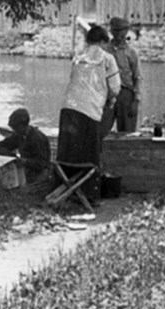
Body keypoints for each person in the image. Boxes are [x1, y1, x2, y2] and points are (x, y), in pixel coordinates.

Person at [58, 26, 121, 206]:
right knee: (89, 155)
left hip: (68, 107)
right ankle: (88, 195)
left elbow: (73, 79)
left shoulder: (78, 57)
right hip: (90, 111)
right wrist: (110, 100)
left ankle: (66, 190)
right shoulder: (108, 59)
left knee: (68, 152)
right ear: (102, 42)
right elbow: (115, 87)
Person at [102, 17, 142, 136]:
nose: (119, 34)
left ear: (126, 32)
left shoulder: (131, 52)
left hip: (126, 95)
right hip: (107, 95)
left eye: (122, 31)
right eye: (116, 30)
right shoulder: (104, 51)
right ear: (111, 32)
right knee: (102, 129)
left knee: (127, 133)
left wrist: (136, 100)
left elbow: (138, 77)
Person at [0, 108, 51, 183]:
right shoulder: (19, 135)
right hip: (26, 168)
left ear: (24, 125)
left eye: (16, 128)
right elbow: (5, 144)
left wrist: (24, 161)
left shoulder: (38, 138)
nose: (14, 130)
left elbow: (42, 163)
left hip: (40, 172)